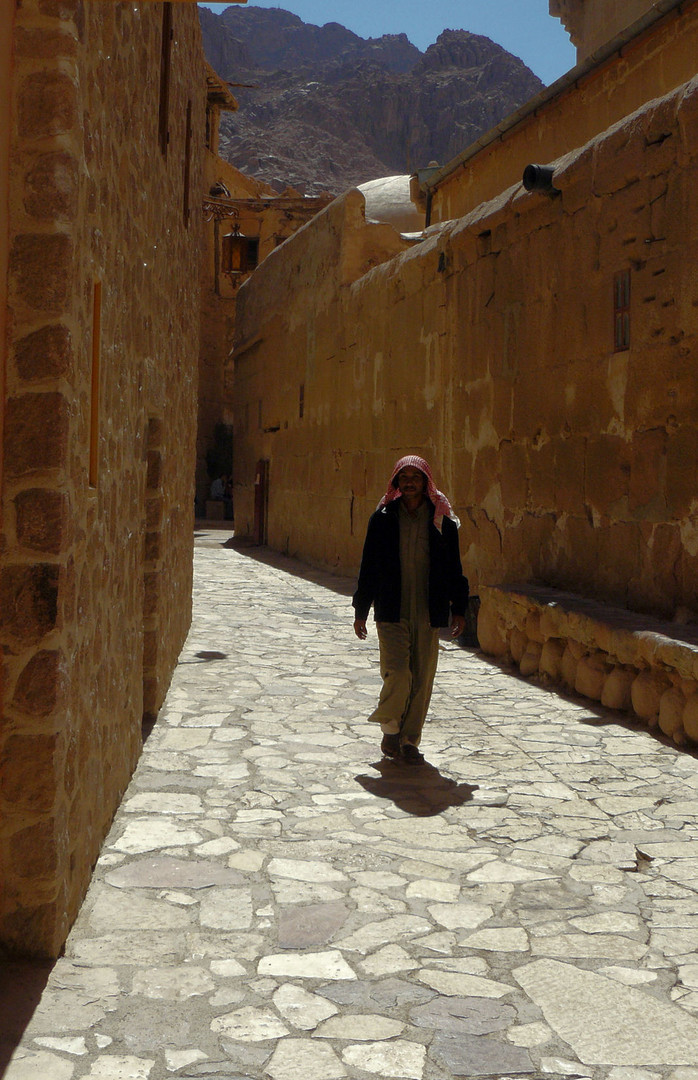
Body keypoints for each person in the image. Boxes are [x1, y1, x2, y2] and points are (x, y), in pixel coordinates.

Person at [353, 455, 469, 764]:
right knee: (399, 673)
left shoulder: (441, 519)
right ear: (396, 482)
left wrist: (459, 608)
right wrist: (361, 609)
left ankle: (408, 741)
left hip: (427, 611)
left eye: (415, 476)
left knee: (422, 678)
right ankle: (391, 727)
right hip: (391, 609)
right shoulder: (382, 519)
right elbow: (369, 567)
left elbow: (455, 567)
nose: (409, 481)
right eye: (403, 476)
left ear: (425, 481)